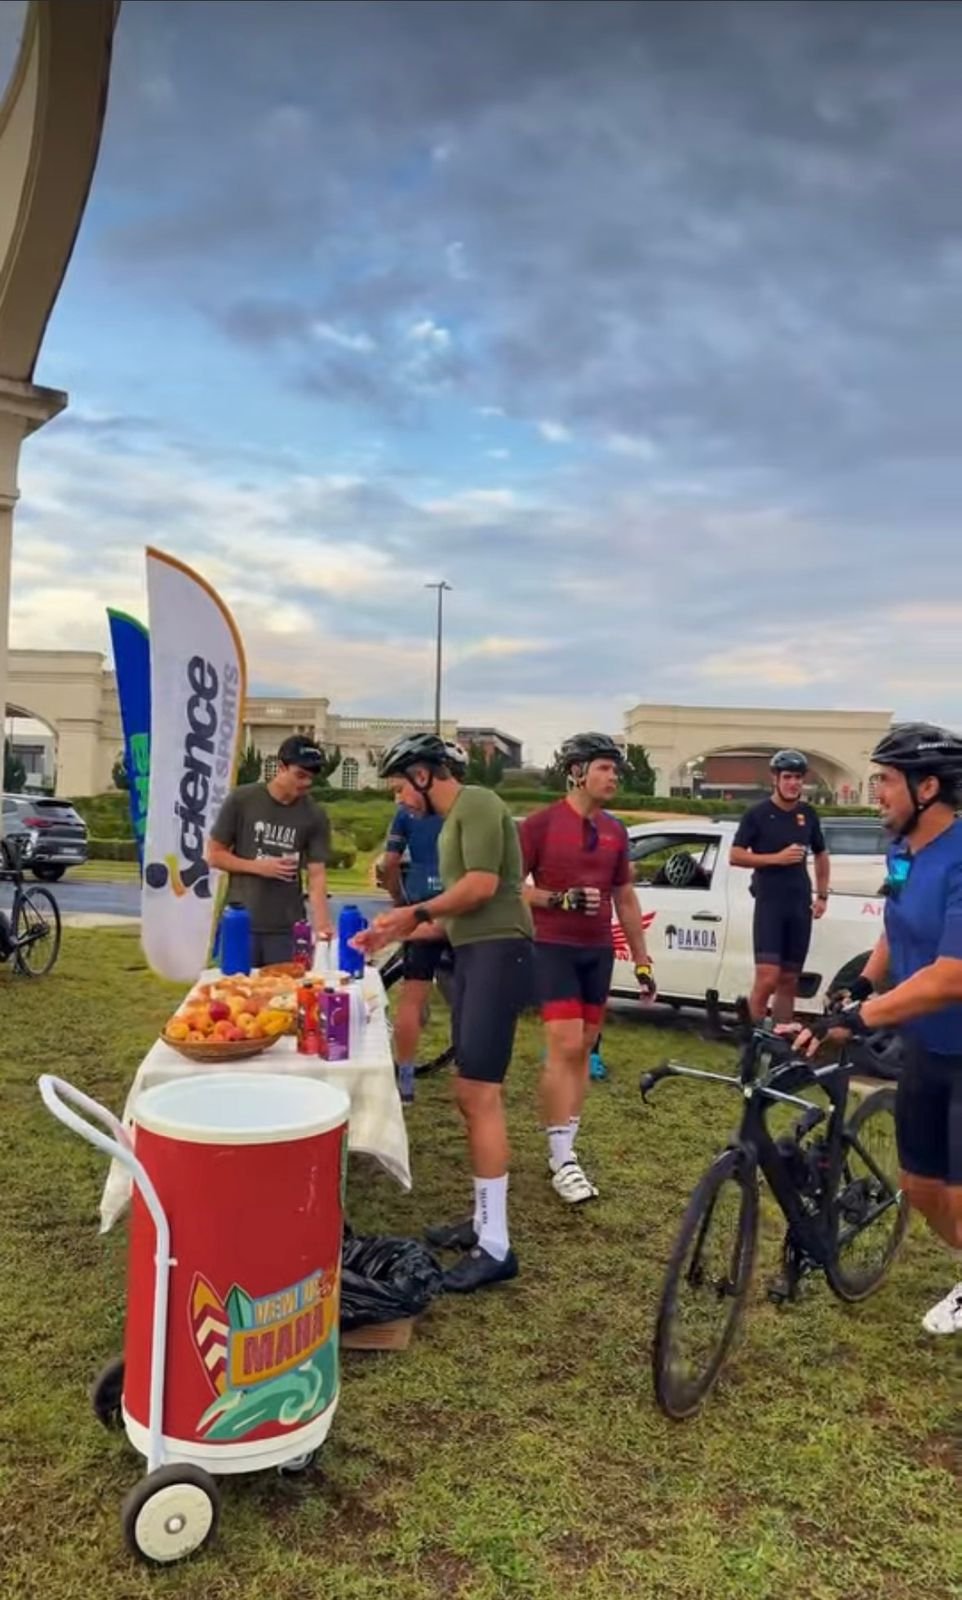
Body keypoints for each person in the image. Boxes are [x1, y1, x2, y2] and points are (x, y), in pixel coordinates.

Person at [791, 722, 962, 1336]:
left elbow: (950, 976)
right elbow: (895, 925)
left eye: (886, 780)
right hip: (927, 1047)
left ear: (927, 788)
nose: (876, 792)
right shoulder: (903, 852)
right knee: (919, 1186)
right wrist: (863, 984)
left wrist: (859, 1017)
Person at [352, 731, 533, 1294]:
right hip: (476, 950)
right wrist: (391, 930)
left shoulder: (477, 803)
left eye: (400, 786)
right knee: (468, 1092)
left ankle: (496, 1246)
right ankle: (483, 1220)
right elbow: (455, 917)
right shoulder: (453, 822)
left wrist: (413, 913)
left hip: (499, 952)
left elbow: (481, 887)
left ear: (424, 774)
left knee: (480, 1094)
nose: (399, 798)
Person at [519, 733, 655, 1203]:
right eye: (604, 768)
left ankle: (565, 1146)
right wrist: (557, 899)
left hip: (597, 951)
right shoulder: (540, 825)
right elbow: (509, 887)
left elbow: (625, 897)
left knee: (583, 1049)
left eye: (616, 770)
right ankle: (562, 1159)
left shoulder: (616, 831)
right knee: (564, 1044)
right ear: (576, 771)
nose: (614, 776)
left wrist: (642, 960)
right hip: (553, 946)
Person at [207, 735, 333, 967]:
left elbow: (316, 875)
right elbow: (215, 855)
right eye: (300, 775)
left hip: (287, 927)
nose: (306, 783)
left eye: (311, 777)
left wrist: (323, 924)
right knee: (236, 986)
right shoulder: (242, 800)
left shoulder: (314, 815)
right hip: (241, 921)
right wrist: (258, 867)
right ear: (281, 767)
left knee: (285, 987)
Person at [730, 750, 830, 1023]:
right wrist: (775, 858)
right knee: (768, 977)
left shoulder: (808, 814)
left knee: (789, 980)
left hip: (799, 903)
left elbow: (821, 854)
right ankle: (751, 1036)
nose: (793, 783)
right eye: (787, 777)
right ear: (775, 778)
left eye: (798, 778)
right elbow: (735, 855)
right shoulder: (758, 814)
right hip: (770, 903)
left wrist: (822, 896)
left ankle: (780, 1039)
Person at [381, 789, 452, 1105]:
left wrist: (399, 901)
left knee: (412, 996)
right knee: (470, 994)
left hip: (420, 901)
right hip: (460, 903)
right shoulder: (462, 806)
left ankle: (406, 1079)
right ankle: (471, 1070)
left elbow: (390, 863)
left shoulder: (407, 812)